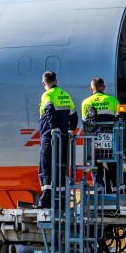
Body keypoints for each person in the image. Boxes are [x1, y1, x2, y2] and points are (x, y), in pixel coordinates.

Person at [37, 71, 78, 208]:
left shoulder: (47, 95)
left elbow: (49, 110)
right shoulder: (65, 94)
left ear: (44, 83)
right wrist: (71, 129)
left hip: (50, 136)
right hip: (64, 137)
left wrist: (52, 127)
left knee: (46, 166)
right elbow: (74, 115)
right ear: (56, 81)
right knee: (61, 166)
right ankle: (60, 201)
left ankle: (46, 199)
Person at [80, 78, 120, 192]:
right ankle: (116, 188)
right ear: (103, 87)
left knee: (95, 164)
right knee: (112, 162)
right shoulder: (113, 101)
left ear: (91, 88)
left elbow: (85, 123)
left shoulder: (86, 103)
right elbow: (119, 120)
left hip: (94, 140)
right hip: (110, 139)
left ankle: (98, 188)